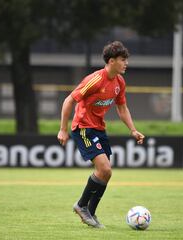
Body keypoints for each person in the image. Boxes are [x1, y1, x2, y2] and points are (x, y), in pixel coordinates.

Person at [57, 41, 145, 228]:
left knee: (106, 174)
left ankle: (91, 213)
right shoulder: (95, 80)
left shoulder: (119, 82)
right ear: (111, 61)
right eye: (123, 60)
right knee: (104, 169)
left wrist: (133, 129)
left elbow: (122, 108)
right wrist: (63, 129)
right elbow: (68, 100)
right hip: (83, 128)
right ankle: (81, 206)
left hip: (98, 128)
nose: (126, 63)